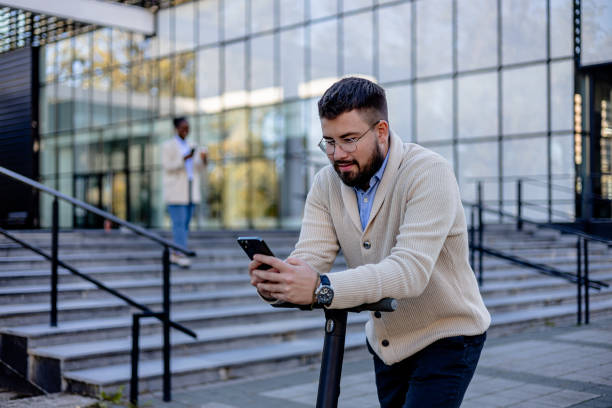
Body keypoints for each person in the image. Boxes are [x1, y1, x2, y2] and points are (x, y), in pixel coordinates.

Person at [248, 77, 490, 407]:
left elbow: (409, 271)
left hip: (446, 334)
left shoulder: (428, 172)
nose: (337, 155)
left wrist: (322, 288)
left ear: (381, 131)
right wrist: (280, 282)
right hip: (388, 343)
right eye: (329, 142)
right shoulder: (326, 184)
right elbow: (310, 257)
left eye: (349, 140)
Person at [162, 117, 207, 268]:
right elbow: (168, 166)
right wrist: (185, 158)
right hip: (176, 191)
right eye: (183, 127)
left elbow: (198, 168)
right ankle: (180, 254)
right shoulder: (168, 146)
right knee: (179, 224)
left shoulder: (192, 145)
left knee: (186, 224)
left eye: (188, 127)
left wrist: (203, 159)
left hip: (190, 190)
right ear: (176, 128)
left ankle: (176, 252)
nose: (186, 130)